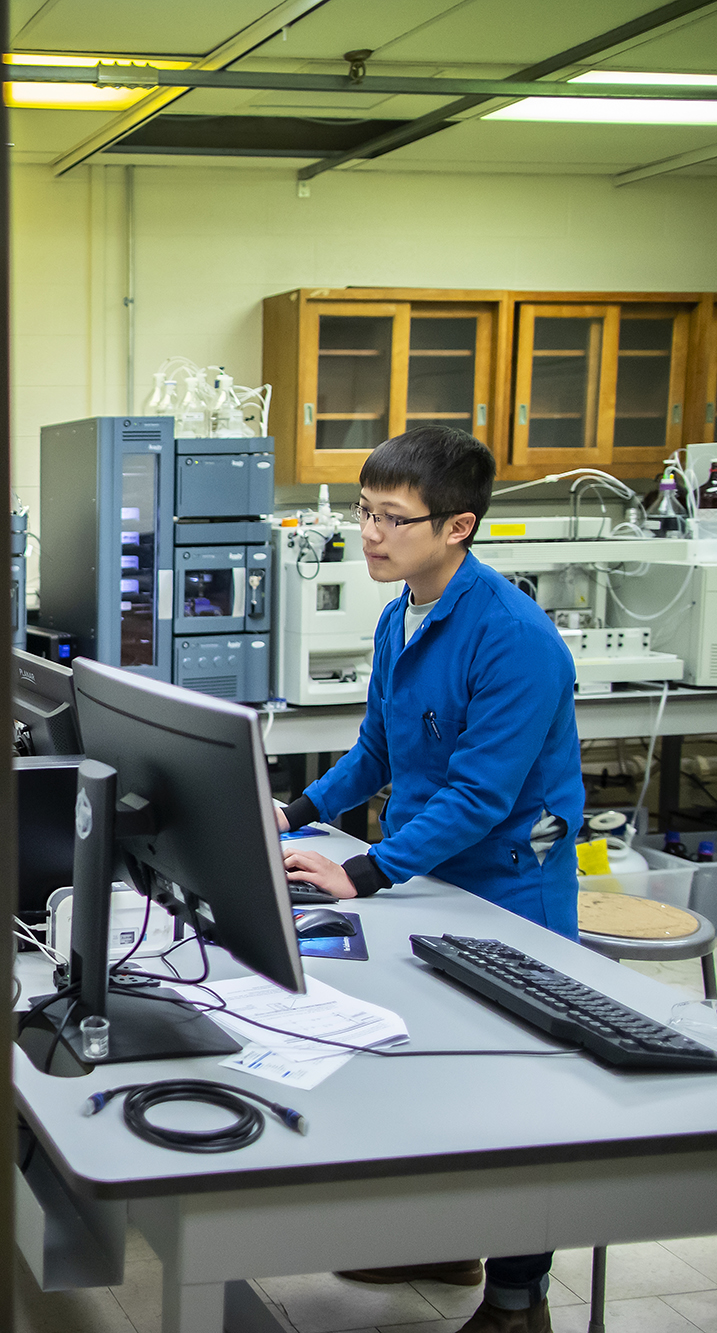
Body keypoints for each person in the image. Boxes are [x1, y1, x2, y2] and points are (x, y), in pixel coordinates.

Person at [273, 425, 586, 1333]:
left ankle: (520, 1294)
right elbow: (378, 747)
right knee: (423, 1071)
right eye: (365, 512)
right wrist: (295, 811)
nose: (368, 534)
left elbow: (483, 792)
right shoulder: (403, 607)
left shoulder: (514, 638)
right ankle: (448, 1240)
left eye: (392, 519)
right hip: (427, 875)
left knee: (515, 1095)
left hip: (504, 891)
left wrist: (364, 869)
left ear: (459, 526)